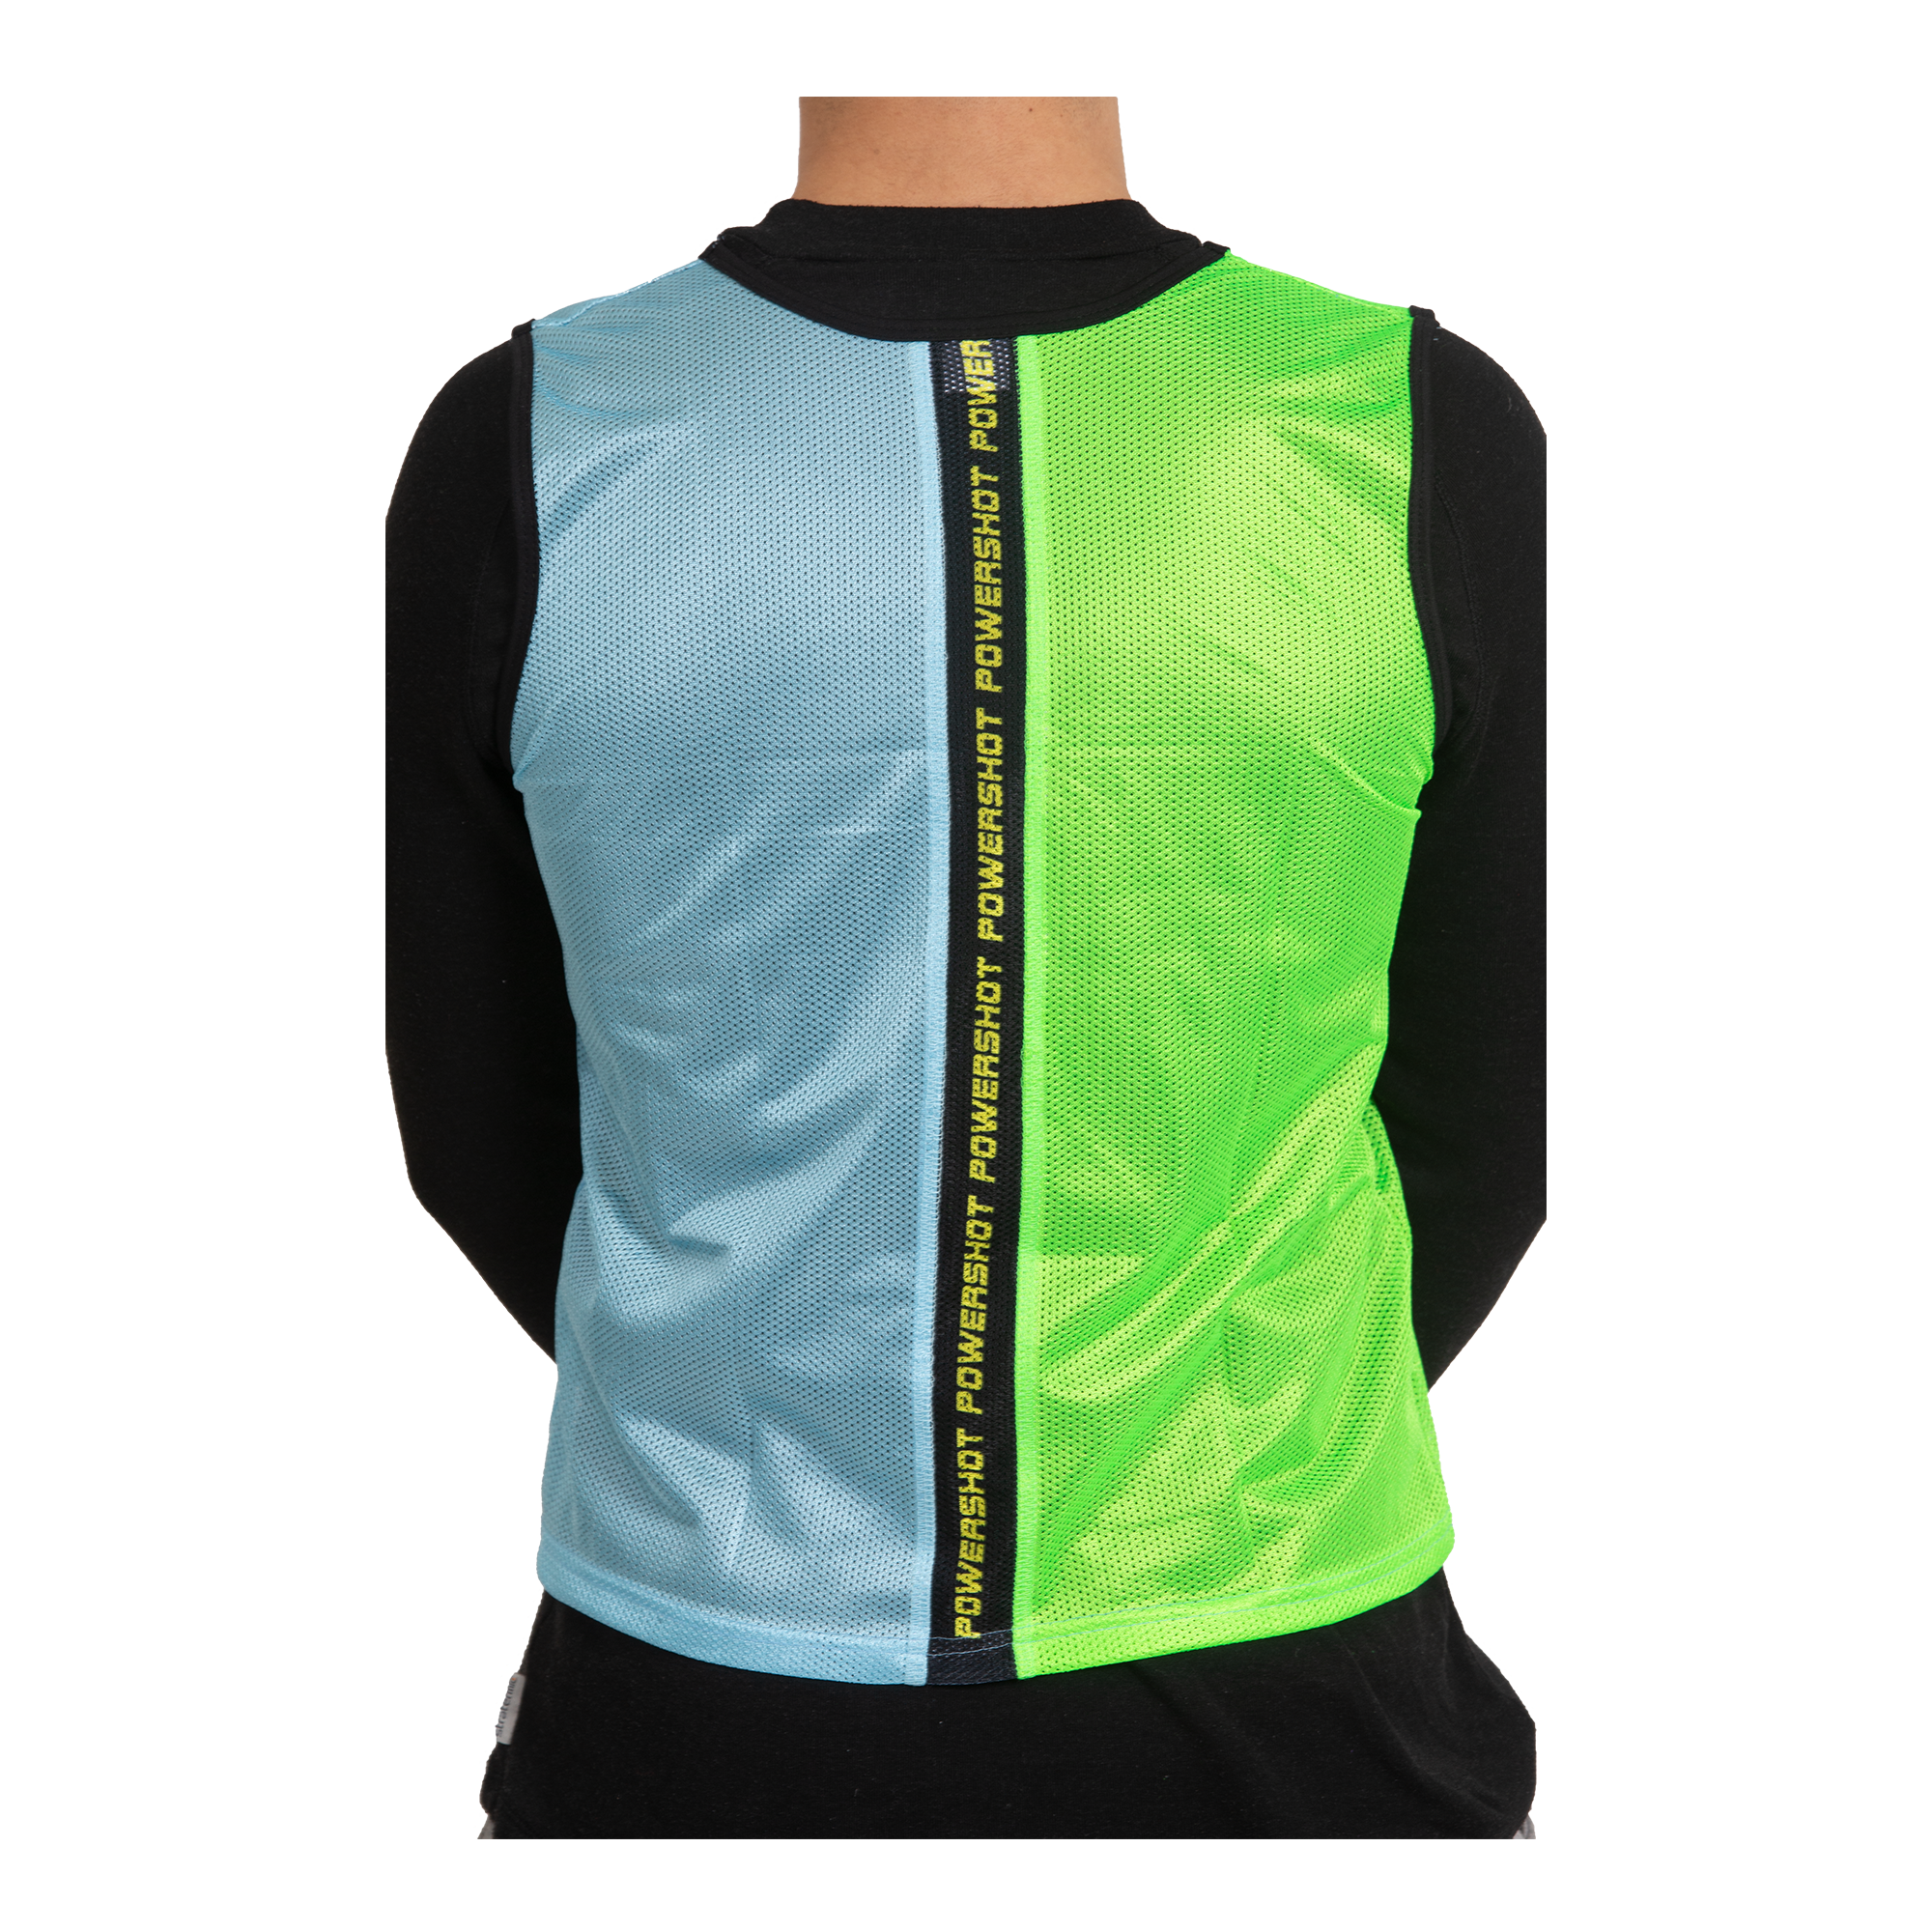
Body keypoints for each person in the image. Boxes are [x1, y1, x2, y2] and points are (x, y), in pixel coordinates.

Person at [387, 96, 1545, 1838]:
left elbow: (480, 1122)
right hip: (1301, 1677)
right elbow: (1503, 1097)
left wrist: (747, 1390)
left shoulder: (533, 432)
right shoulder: (1405, 420)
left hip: (693, 1696)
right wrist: (1246, 1416)